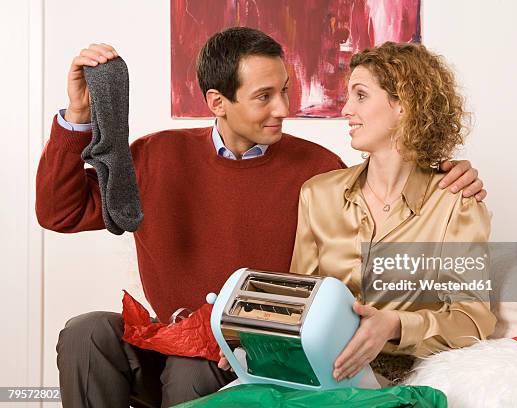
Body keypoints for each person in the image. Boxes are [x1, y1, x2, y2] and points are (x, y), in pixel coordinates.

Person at [36, 28, 486, 407]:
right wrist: (78, 117)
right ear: (218, 102)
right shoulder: (158, 155)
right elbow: (62, 211)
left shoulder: (318, 172)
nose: (284, 109)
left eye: (285, 89)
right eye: (264, 96)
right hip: (167, 338)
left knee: (189, 370)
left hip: (232, 357)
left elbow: (323, 283)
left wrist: (444, 173)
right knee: (86, 333)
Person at [289, 42, 497, 384]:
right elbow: (299, 302)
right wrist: (251, 337)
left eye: (360, 95)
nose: (345, 110)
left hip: (398, 378)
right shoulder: (317, 194)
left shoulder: (456, 202)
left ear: (403, 105)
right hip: (317, 369)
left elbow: (473, 318)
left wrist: (395, 326)